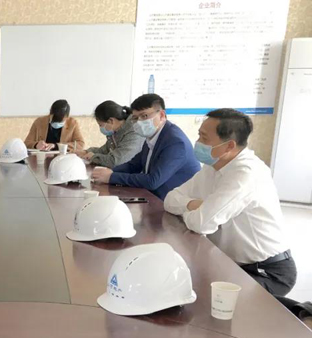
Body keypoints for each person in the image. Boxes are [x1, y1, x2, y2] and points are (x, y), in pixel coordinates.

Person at [164, 109, 296, 296]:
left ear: (229, 146)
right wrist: (195, 205)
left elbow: (201, 223)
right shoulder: (213, 166)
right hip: (231, 263)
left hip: (266, 271)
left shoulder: (245, 174)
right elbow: (170, 199)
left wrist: (196, 210)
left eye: (204, 138)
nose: (198, 142)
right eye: (199, 135)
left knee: (209, 300)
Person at [91, 94, 200, 200]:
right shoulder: (152, 136)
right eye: (135, 118)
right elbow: (134, 165)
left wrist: (111, 177)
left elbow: (153, 181)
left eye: (144, 116)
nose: (139, 122)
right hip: (155, 197)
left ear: (161, 115)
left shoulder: (175, 142)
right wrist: (108, 172)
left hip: (175, 204)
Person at [75, 100, 144, 168]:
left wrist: (93, 157)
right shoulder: (116, 132)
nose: (100, 128)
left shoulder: (134, 131)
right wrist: (86, 152)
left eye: (100, 125)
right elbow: (105, 150)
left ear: (111, 121)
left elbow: (116, 161)